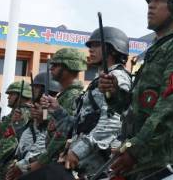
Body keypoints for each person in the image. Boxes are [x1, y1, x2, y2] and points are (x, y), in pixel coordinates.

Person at [98, 0, 173, 180]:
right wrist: (114, 92)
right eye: (149, 1)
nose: (150, 6)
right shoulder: (157, 48)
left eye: (158, 0)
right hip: (144, 163)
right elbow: (139, 108)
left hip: (164, 162)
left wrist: (135, 149)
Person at [53, 26, 132, 178]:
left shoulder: (117, 77)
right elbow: (80, 127)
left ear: (113, 50)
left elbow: (112, 124)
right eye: (90, 46)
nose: (91, 49)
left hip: (103, 169)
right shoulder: (98, 81)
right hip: (88, 169)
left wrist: (78, 151)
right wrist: (57, 111)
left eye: (96, 45)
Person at [24, 48, 86, 176]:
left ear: (68, 67)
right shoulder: (64, 96)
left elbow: (63, 136)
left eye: (56, 65)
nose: (51, 68)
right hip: (54, 162)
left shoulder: (73, 96)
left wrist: (40, 162)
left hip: (63, 165)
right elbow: (55, 128)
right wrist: (42, 120)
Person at [6, 73, 60, 180]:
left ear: (44, 90)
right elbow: (23, 139)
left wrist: (21, 166)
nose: (33, 90)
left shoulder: (51, 111)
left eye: (36, 87)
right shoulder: (35, 110)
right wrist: (17, 124)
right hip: (26, 164)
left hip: (36, 168)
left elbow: (43, 143)